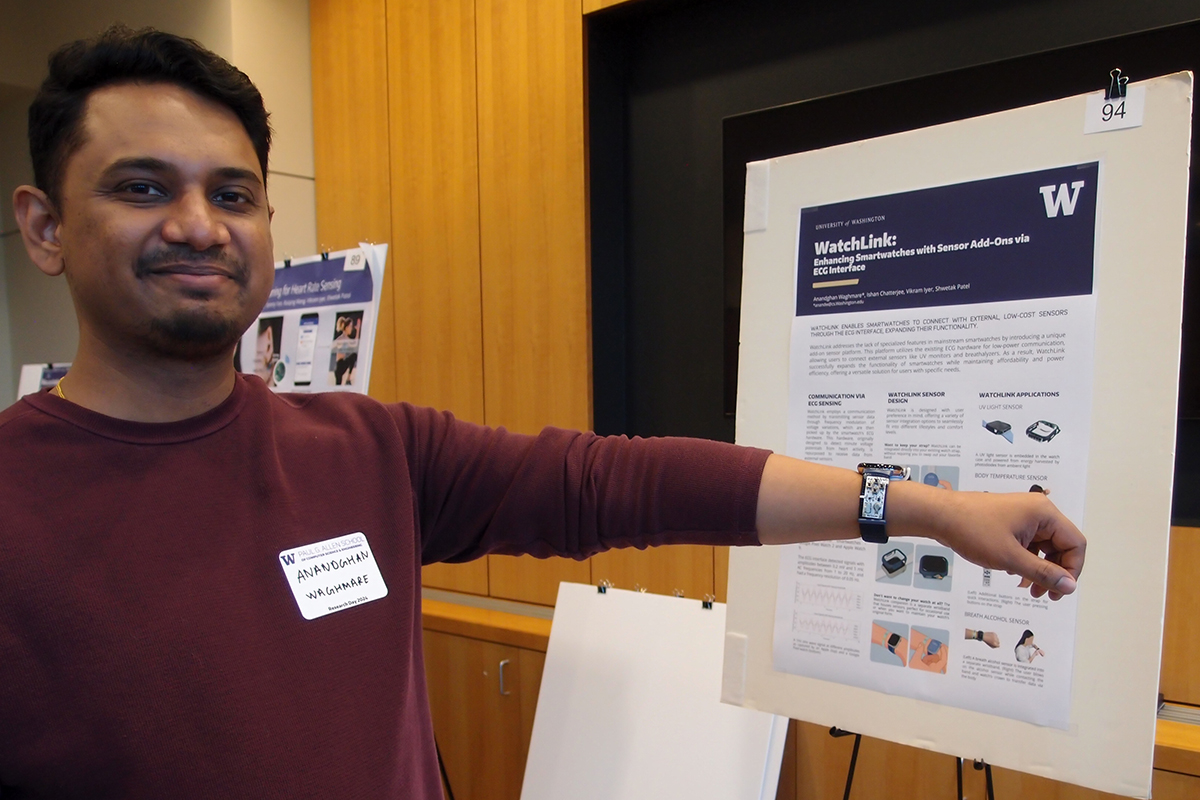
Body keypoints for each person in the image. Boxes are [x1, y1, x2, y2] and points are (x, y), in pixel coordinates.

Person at [0, 25, 1085, 799]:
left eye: (232, 193)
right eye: (142, 187)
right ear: (45, 227)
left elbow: (617, 479)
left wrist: (923, 507)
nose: (198, 223)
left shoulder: (369, 449)